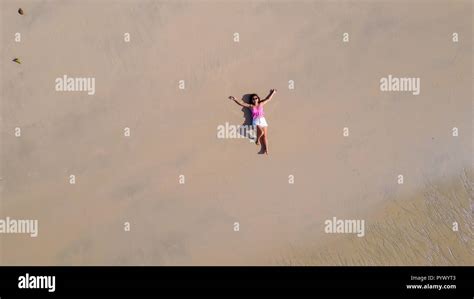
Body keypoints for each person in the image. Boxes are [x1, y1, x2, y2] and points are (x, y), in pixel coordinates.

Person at [229, 89, 277, 155]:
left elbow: (268, 99)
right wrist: (235, 99)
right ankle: (257, 139)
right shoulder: (251, 106)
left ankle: (267, 150)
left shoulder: (261, 104)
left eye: (256, 98)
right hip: (256, 120)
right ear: (252, 100)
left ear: (258, 99)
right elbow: (242, 104)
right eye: (253, 99)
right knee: (261, 132)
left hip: (263, 120)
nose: (255, 99)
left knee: (265, 136)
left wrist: (272, 93)